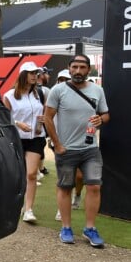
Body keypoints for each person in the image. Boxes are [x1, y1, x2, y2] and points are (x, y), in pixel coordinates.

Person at [44, 54, 109, 247]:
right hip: (66, 149)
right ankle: (66, 227)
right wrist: (57, 144)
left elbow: (105, 114)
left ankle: (90, 228)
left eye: (82, 67)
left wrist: (101, 119)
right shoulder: (58, 90)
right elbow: (47, 118)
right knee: (65, 187)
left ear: (88, 70)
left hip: (90, 148)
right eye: (75, 67)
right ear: (69, 68)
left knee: (94, 186)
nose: (78, 71)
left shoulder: (97, 90)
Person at [3, 61, 46, 223]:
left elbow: (42, 115)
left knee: (31, 174)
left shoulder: (39, 94)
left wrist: (40, 123)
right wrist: (18, 123)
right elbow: (4, 118)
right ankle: (17, 206)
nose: (35, 75)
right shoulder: (9, 95)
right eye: (32, 73)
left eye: (36, 73)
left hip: (36, 138)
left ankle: (28, 210)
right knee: (18, 176)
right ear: (23, 75)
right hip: (16, 139)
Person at [52, 69, 84, 221]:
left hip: (81, 143)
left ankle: (77, 196)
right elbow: (47, 118)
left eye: (66, 79)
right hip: (60, 143)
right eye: (60, 79)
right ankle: (61, 208)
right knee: (64, 177)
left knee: (79, 176)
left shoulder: (81, 96)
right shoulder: (54, 95)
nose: (63, 82)